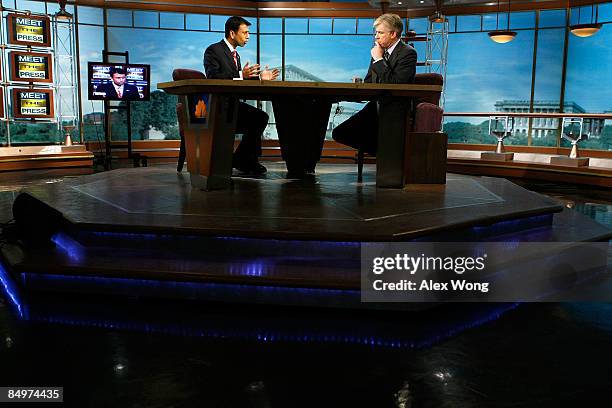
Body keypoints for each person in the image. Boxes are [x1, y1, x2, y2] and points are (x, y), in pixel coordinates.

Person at [332, 13, 417, 156]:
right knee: (339, 133)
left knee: (376, 133)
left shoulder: (408, 53)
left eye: (380, 33)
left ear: (393, 34)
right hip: (376, 106)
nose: (376, 36)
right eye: (376, 32)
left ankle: (388, 155)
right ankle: (383, 152)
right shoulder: (378, 51)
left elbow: (395, 85)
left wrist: (378, 59)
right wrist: (359, 86)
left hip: (395, 108)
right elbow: (370, 81)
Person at [204, 16, 279, 175]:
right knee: (259, 118)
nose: (248, 36)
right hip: (219, 107)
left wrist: (259, 78)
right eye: (245, 32)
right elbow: (213, 77)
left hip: (232, 104)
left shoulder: (235, 55)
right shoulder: (213, 50)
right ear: (232, 33)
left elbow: (237, 78)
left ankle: (244, 159)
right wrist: (240, 74)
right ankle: (245, 160)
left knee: (259, 117)